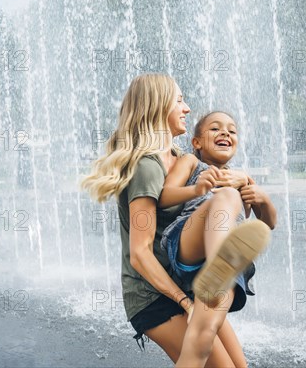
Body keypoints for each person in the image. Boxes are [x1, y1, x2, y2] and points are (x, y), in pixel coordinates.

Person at [82, 74, 249, 367]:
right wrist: (185, 303)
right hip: (153, 297)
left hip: (185, 286)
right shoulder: (147, 166)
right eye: (180, 101)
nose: (186, 109)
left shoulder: (176, 157)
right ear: (158, 107)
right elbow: (140, 253)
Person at [158, 111, 277, 367]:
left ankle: (219, 273)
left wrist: (261, 196)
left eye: (232, 131)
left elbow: (269, 224)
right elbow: (165, 196)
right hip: (189, 243)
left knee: (212, 345)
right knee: (227, 198)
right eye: (215, 129)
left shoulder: (240, 179)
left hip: (226, 271)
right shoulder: (191, 162)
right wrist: (197, 188)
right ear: (197, 142)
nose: (225, 133)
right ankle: (218, 268)